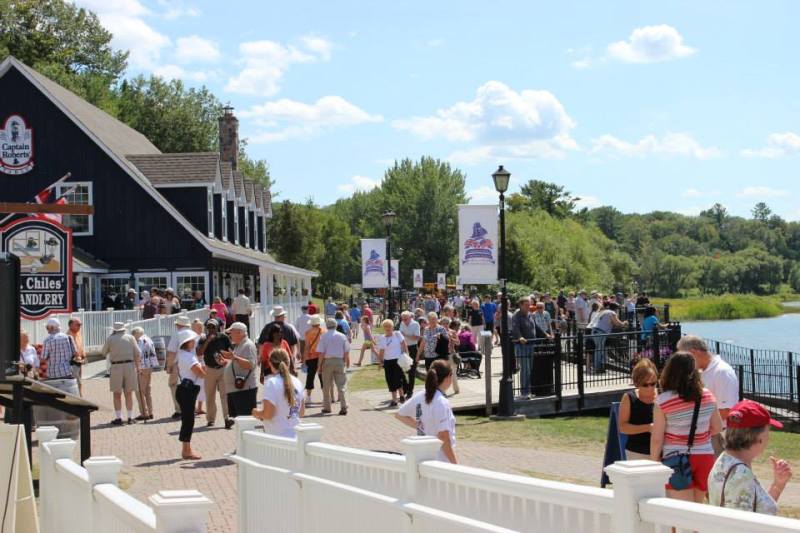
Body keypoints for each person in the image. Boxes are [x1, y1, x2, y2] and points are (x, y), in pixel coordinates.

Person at [650, 352, 723, 503]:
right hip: (705, 456)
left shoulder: (663, 401)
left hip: (676, 459)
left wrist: (654, 461)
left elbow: (657, 438)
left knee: (679, 512)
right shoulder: (708, 396)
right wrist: (700, 435)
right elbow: (717, 427)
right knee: (696, 509)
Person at [708, 400, 793, 515]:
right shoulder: (741, 475)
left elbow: (756, 510)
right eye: (767, 431)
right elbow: (743, 525)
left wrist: (778, 485)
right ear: (759, 438)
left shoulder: (724, 460)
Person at [677, 336, 740, 456]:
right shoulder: (702, 372)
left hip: (718, 436)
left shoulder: (722, 372)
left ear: (693, 353)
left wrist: (699, 428)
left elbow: (726, 410)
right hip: (706, 435)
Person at [395, 360, 458, 464]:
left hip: (423, 458)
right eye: (452, 375)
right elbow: (443, 437)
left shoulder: (420, 396)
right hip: (440, 461)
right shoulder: (441, 402)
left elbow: (399, 414)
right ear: (447, 377)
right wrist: (455, 464)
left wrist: (420, 425)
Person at [252, 348, 305, 437]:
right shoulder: (297, 382)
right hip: (297, 436)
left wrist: (256, 413)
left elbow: (268, 414)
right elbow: (301, 412)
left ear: (270, 363)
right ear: (288, 363)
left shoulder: (271, 382)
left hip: (277, 438)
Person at [173, 329, 205, 460]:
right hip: (187, 390)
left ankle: (186, 449)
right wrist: (205, 371)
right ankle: (186, 450)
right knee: (188, 421)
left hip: (184, 389)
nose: (194, 342)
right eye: (192, 340)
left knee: (187, 419)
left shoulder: (182, 354)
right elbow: (200, 373)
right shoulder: (188, 356)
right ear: (187, 342)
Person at [101, 322, 142, 425]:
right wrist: (138, 367)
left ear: (114, 330)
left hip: (116, 367)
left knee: (117, 393)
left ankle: (119, 417)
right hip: (130, 366)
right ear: (124, 329)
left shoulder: (110, 339)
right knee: (129, 393)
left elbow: (103, 352)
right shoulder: (130, 338)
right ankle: (130, 417)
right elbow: (138, 353)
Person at [197, 318, 234, 429]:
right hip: (210, 369)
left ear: (217, 327)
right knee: (210, 395)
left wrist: (224, 357)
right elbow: (199, 353)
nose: (211, 329)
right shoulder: (203, 338)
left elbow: (231, 352)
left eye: (213, 327)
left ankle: (227, 418)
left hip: (223, 369)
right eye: (209, 327)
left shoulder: (223, 337)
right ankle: (211, 419)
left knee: (224, 395)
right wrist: (208, 341)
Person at [618, 358, 658, 460]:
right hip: (637, 452)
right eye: (645, 385)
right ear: (637, 384)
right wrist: (648, 427)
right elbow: (622, 427)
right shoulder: (629, 398)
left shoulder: (662, 396)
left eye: (653, 383)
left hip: (661, 451)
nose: (650, 388)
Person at [221, 322, 259, 419]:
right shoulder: (239, 345)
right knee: (239, 420)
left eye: (231, 332)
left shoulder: (248, 345)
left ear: (239, 332)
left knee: (245, 420)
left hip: (244, 389)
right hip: (238, 389)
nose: (229, 335)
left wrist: (234, 357)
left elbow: (251, 364)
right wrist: (226, 361)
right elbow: (237, 362)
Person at [317, 317, 350, 416]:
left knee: (326, 385)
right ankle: (343, 406)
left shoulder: (323, 336)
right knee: (341, 385)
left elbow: (321, 353)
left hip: (327, 361)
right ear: (336, 325)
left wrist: (319, 366)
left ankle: (327, 407)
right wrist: (346, 361)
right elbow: (346, 351)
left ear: (327, 326)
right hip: (339, 361)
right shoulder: (342, 336)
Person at [587, 302, 627, 373]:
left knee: (598, 349)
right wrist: (624, 323)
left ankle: (598, 366)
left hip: (594, 330)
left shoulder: (604, 311)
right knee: (599, 350)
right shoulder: (612, 313)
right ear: (615, 309)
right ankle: (598, 368)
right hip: (601, 332)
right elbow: (617, 323)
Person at [376, 319, 408, 406]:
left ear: (392, 327)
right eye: (385, 326)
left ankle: (401, 395)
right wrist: (380, 362)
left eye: (389, 326)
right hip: (387, 361)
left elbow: (404, 344)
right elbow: (381, 351)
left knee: (397, 378)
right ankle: (394, 399)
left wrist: (406, 354)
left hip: (397, 360)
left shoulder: (397, 334)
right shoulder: (382, 338)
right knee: (390, 380)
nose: (387, 328)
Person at [166, 316, 192, 418]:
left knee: (174, 385)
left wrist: (169, 365)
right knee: (190, 385)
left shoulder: (177, 334)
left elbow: (172, 352)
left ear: (179, 325)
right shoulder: (193, 334)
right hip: (192, 363)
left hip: (179, 363)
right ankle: (190, 407)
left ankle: (179, 409)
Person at [511, 297, 536, 398]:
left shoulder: (529, 314)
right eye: (526, 305)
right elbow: (515, 328)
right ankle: (524, 392)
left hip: (531, 344)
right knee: (525, 369)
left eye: (529, 304)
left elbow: (535, 326)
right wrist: (520, 337)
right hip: (522, 346)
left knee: (529, 369)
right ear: (520, 305)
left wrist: (546, 334)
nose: (528, 307)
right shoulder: (516, 315)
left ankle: (528, 390)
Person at [131, 326, 158, 421]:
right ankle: (150, 412)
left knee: (139, 391)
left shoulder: (139, 341)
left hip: (142, 367)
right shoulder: (148, 339)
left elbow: (138, 354)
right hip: (149, 366)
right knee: (147, 390)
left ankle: (144, 413)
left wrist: (138, 368)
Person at [302, 315, 325, 404]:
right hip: (321, 357)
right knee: (322, 376)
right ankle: (324, 397)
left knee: (310, 376)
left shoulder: (308, 332)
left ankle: (308, 397)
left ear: (312, 324)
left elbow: (307, 347)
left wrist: (304, 360)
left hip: (311, 357)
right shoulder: (323, 331)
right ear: (319, 323)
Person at [399, 311, 421, 397]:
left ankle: (410, 391)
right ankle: (406, 387)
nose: (404, 321)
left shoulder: (415, 324)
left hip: (412, 348)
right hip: (404, 348)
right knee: (401, 369)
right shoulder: (402, 323)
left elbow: (416, 337)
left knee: (412, 371)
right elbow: (400, 336)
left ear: (410, 317)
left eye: (406, 319)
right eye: (403, 319)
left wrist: (406, 335)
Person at [191, 319, 207, 416]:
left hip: (203, 363)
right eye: (199, 327)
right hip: (194, 363)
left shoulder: (204, 337)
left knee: (202, 386)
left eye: (201, 327)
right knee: (193, 385)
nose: (201, 328)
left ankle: (200, 407)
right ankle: (193, 406)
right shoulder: (191, 338)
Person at [66, 317, 85, 394]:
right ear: (71, 325)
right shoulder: (67, 336)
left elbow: (80, 345)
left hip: (79, 362)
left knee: (79, 381)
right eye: (77, 325)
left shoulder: (78, 333)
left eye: (80, 325)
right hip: (73, 362)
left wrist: (83, 355)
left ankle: (80, 396)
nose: (79, 326)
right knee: (76, 382)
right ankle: (78, 398)